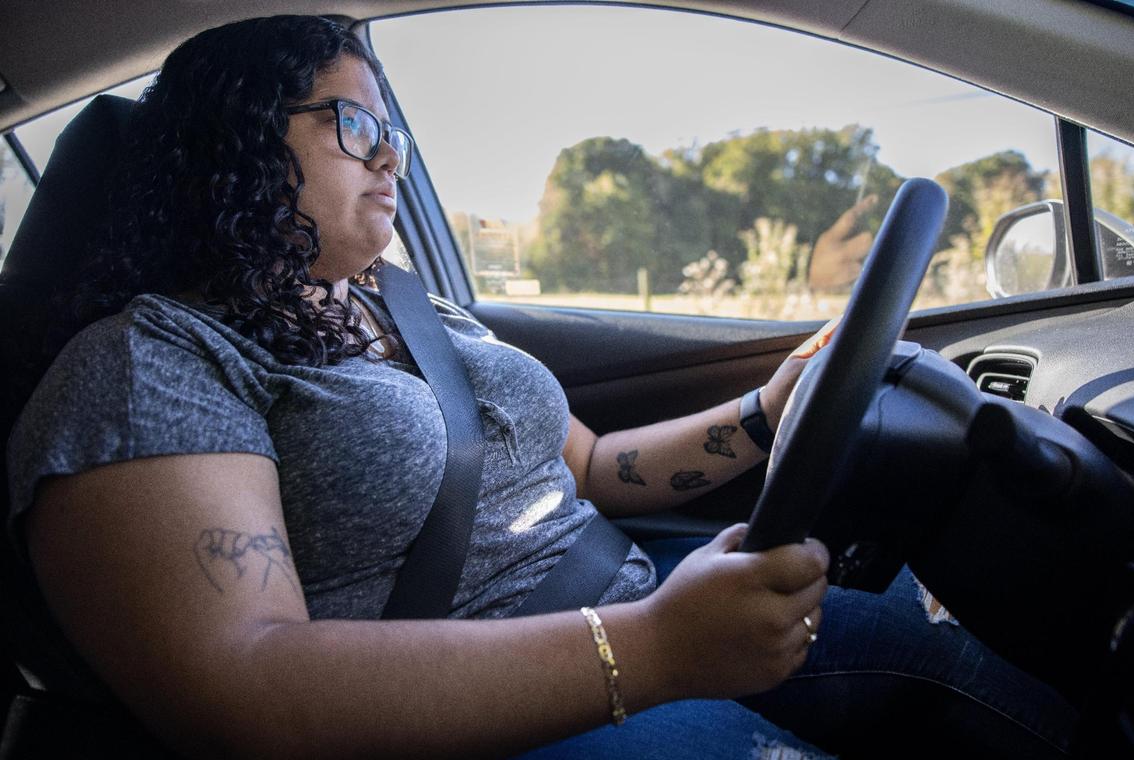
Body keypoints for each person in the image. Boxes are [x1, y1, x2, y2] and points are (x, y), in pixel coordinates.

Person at [5, 15, 1075, 759]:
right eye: (355, 125)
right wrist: (653, 650)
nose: (391, 160)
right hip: (486, 712)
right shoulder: (149, 364)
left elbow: (593, 467)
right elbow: (248, 689)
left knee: (984, 658)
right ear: (237, 138)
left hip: (639, 598)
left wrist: (766, 411)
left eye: (395, 134)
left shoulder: (407, 305)